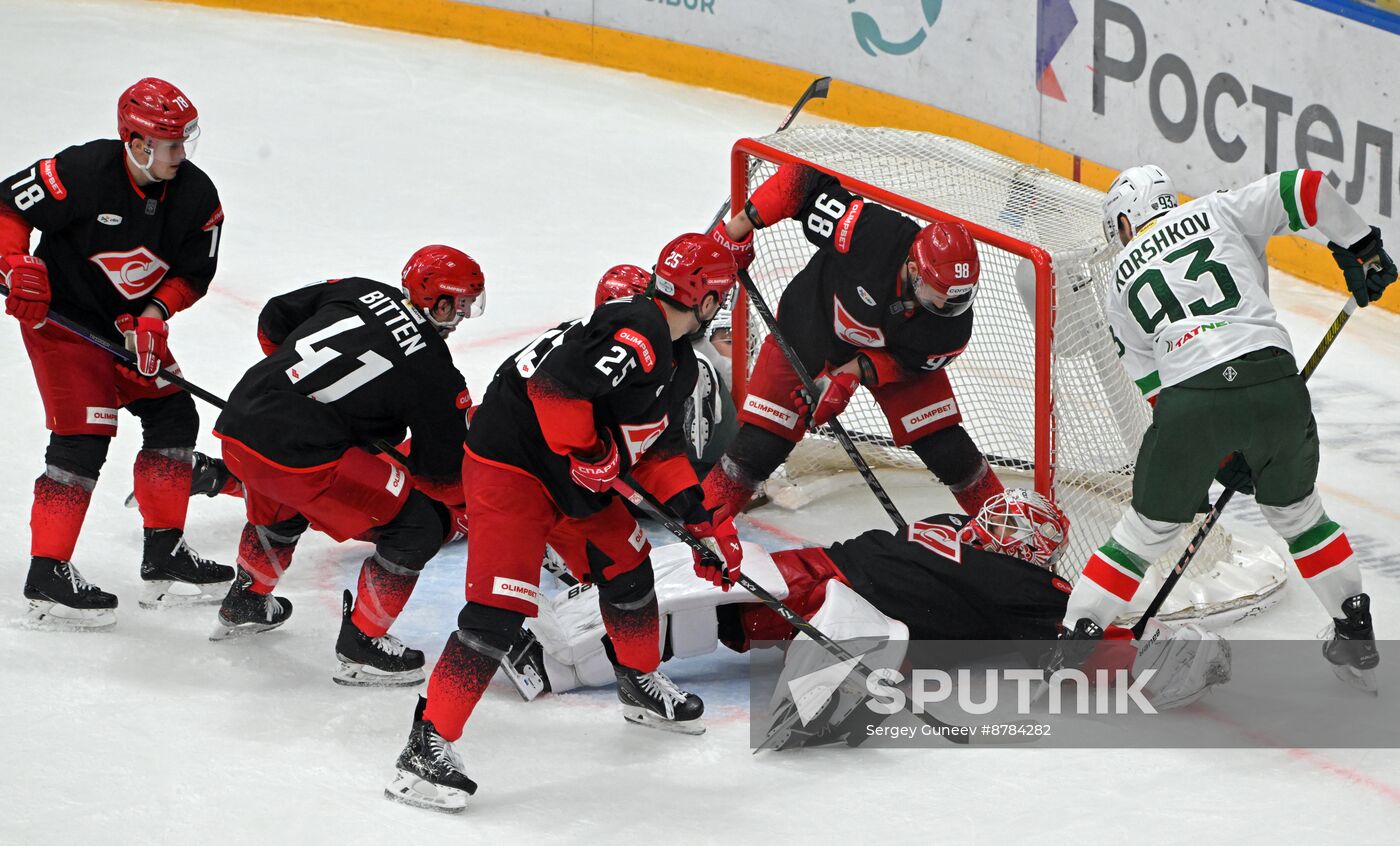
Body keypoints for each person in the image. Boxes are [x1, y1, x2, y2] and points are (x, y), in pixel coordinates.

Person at [384, 234, 741, 814]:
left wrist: (701, 523)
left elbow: (658, 448)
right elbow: (556, 391)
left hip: (567, 480)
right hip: (511, 472)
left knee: (629, 566)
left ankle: (640, 685)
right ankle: (426, 747)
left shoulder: (673, 360)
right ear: (707, 301)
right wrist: (589, 450)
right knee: (497, 616)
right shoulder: (641, 330)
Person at [507, 489, 1228, 746]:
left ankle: (545, 649)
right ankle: (549, 649)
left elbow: (1079, 644)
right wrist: (1167, 648)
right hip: (834, 604)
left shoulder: (956, 534)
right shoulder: (1026, 583)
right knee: (719, 597)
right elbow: (1088, 645)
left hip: (813, 586)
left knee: (700, 587)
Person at [1061, 164, 1396, 692]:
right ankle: (1354, 626)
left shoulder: (1120, 283)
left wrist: (1213, 454)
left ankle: (1074, 640)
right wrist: (1362, 247)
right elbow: (1305, 187)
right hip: (1275, 381)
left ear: (1126, 222)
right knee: (1300, 515)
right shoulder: (1217, 208)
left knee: (1143, 535)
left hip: (1191, 401)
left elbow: (1156, 389)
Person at [0, 77, 230, 628]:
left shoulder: (198, 197)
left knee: (175, 413)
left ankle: (164, 552)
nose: (182, 154)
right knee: (84, 435)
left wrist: (156, 314)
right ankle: (47, 573)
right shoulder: (81, 171)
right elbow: (8, 208)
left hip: (128, 328)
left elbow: (194, 273)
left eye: (184, 141)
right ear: (136, 142)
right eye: (171, 143)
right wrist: (14, 264)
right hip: (65, 325)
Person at [209, 246, 481, 689]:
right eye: (464, 303)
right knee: (417, 528)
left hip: (241, 424)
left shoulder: (360, 291)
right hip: (302, 458)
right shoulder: (435, 369)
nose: (466, 315)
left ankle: (246, 603)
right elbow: (439, 477)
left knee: (283, 499)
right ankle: (363, 647)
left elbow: (275, 319)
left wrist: (309, 399)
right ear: (443, 302)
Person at [701, 162, 1006, 522]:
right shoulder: (871, 233)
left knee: (946, 448)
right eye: (934, 292)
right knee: (759, 447)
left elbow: (906, 365)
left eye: (957, 299)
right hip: (808, 327)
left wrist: (852, 374)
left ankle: (1005, 530)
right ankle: (699, 524)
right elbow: (801, 183)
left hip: (888, 354)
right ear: (912, 266)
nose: (943, 306)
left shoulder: (949, 327)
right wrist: (734, 232)